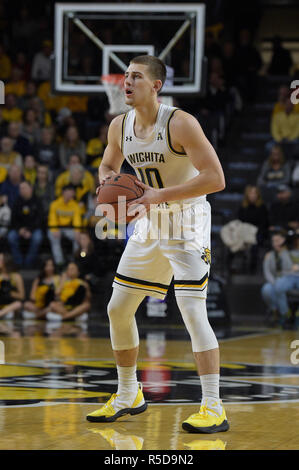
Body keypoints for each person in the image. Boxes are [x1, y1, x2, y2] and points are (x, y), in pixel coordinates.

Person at [86, 55, 228, 434]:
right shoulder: (119, 125)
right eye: (125, 77)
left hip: (187, 220)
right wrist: (108, 189)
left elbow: (216, 178)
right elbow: (107, 167)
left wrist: (158, 195)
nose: (126, 83)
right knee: (118, 308)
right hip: (150, 221)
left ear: (156, 86)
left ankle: (214, 406)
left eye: (135, 77)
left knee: (192, 310)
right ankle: (129, 392)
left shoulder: (180, 123)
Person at [7, 181, 43, 268]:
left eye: (24, 188)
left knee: (37, 238)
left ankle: (28, 262)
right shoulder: (17, 201)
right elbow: (13, 219)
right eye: (20, 188)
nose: (21, 190)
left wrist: (29, 230)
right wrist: (19, 229)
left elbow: (40, 220)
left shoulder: (37, 201)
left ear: (30, 189)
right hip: (19, 229)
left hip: (34, 229)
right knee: (11, 237)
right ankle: (18, 262)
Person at [261, 231, 292, 325]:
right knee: (266, 289)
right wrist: (273, 282)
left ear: (284, 240)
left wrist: (283, 251)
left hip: (288, 280)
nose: (275, 243)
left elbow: (290, 268)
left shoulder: (289, 253)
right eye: (273, 241)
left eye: (278, 240)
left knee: (280, 286)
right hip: (274, 280)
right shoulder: (269, 255)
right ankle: (275, 311)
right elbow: (267, 272)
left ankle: (285, 314)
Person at [47, 184, 82, 266]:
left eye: (72, 192)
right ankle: (59, 263)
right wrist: (55, 230)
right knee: (54, 238)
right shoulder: (55, 204)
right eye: (69, 191)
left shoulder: (75, 205)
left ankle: (75, 261)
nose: (71, 194)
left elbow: (77, 220)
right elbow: (52, 219)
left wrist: (77, 231)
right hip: (56, 228)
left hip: (69, 229)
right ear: (63, 192)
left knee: (78, 238)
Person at [274, 233, 299, 327]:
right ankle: (285, 313)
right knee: (278, 286)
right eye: (296, 239)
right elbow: (287, 267)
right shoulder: (285, 251)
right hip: (289, 276)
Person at [0, 252, 25, 319]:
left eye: (0, 260)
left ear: (6, 261)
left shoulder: (16, 276)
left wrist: (9, 292)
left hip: (11, 306)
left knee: (18, 304)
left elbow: (22, 296)